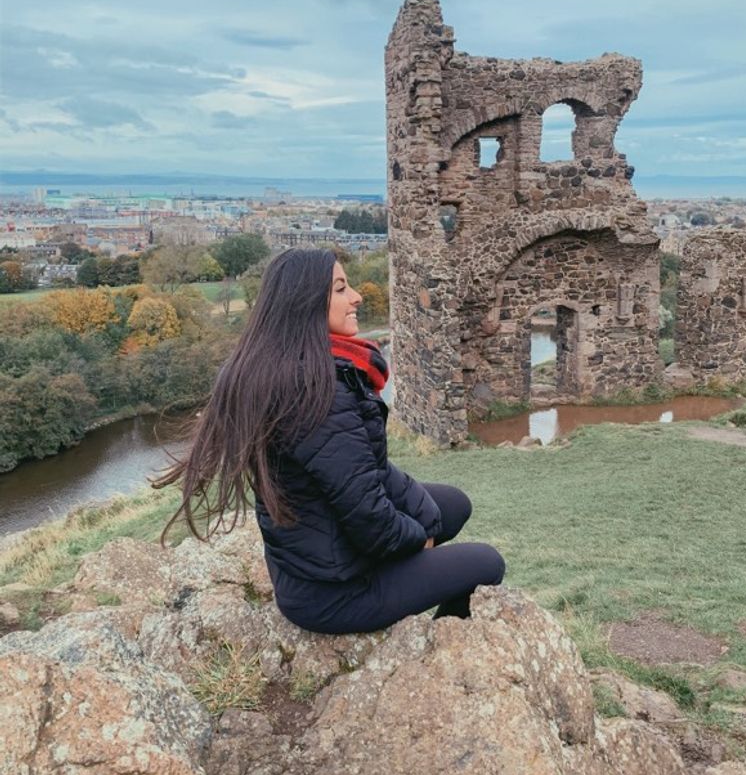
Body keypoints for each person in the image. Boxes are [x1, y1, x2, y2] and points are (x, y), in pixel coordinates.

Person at [156, 247, 505, 634]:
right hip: (331, 593)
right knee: (487, 564)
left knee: (452, 505)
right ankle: (442, 641)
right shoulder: (313, 392)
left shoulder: (310, 367)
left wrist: (420, 519)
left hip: (327, 552)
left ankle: (410, 580)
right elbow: (367, 512)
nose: (356, 296)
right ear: (306, 304)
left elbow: (368, 470)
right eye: (341, 289)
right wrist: (415, 540)